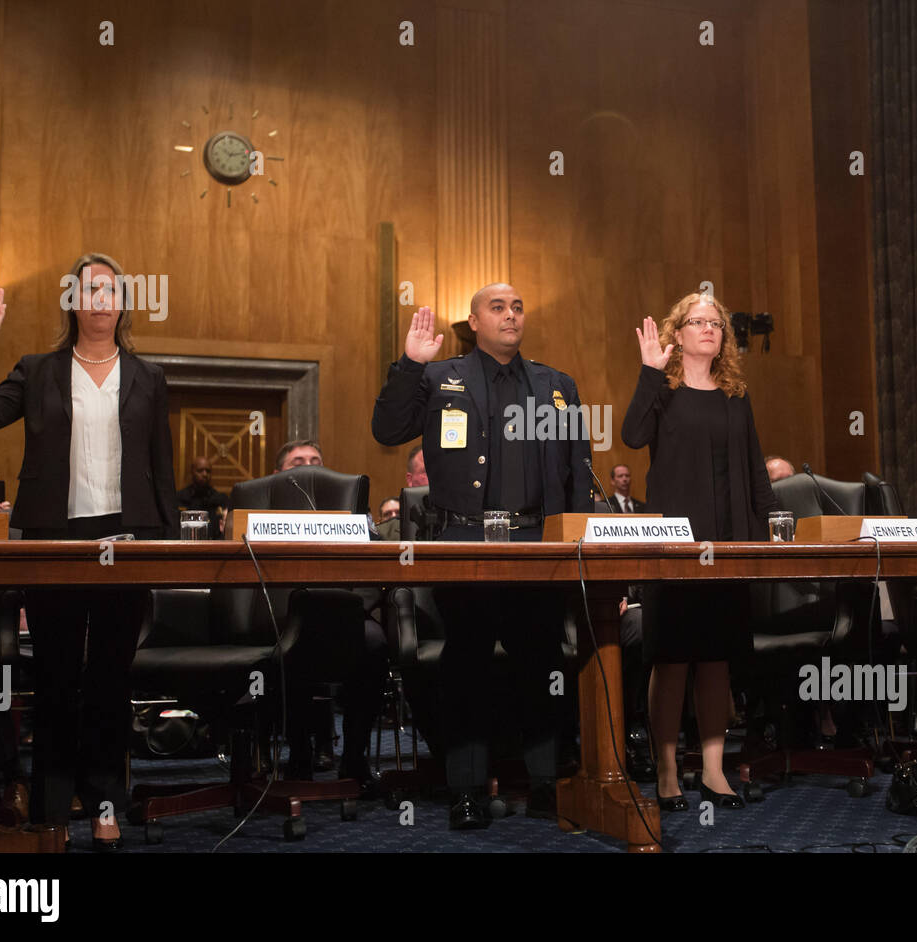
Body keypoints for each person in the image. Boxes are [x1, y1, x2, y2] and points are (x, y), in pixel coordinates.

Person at [0, 254, 179, 851]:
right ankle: (52, 809)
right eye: (90, 289)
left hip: (126, 540)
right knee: (55, 676)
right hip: (55, 538)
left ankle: (106, 804)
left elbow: (162, 469)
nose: (101, 298)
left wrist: (169, 545)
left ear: (123, 303)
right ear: (74, 301)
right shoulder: (38, 371)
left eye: (112, 290)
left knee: (109, 679)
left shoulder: (148, 378)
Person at [372, 284, 593, 829]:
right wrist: (407, 365)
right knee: (466, 662)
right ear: (473, 321)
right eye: (498, 307)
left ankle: (546, 785)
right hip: (463, 543)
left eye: (518, 307)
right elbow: (387, 429)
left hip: (537, 545)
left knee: (541, 661)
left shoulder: (556, 386)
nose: (511, 315)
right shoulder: (438, 376)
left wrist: (578, 541)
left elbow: (578, 472)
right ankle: (465, 790)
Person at [622, 292, 778, 812]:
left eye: (716, 323)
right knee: (671, 659)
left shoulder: (736, 393)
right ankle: (667, 772)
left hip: (729, 541)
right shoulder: (662, 390)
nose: (709, 328)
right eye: (698, 321)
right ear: (678, 333)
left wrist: (770, 529)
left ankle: (713, 771)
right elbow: (632, 433)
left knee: (716, 660)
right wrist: (648, 372)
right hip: (673, 543)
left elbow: (756, 467)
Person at [266, 439, 386, 783]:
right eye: (298, 462)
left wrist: (351, 605)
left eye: (315, 461)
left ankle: (354, 757)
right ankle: (300, 754)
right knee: (286, 647)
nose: (308, 468)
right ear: (278, 475)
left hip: (345, 615)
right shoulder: (262, 511)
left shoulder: (350, 511)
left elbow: (375, 568)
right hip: (280, 617)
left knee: (375, 644)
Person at [176, 456, 229, 532]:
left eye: (208, 471)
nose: (205, 474)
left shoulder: (220, 499)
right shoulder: (180, 497)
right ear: (192, 472)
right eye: (200, 470)